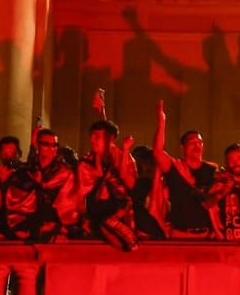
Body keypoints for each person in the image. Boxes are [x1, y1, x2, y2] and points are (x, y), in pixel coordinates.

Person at [153, 102, 220, 239]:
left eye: (200, 142)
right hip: (180, 234)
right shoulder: (175, 167)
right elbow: (158, 152)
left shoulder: (211, 170)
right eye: (192, 143)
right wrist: (162, 122)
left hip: (206, 235)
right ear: (183, 148)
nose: (197, 146)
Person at [77, 118, 139, 251]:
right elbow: (82, 194)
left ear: (110, 139)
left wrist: (125, 153)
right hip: (98, 211)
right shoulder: (86, 162)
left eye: (97, 136)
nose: (92, 140)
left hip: (122, 211)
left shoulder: (125, 157)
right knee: (100, 223)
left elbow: (131, 185)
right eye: (92, 136)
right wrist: (83, 218)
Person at [209, 144, 240, 243]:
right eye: (231, 160)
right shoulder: (220, 182)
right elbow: (209, 206)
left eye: (239, 158)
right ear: (226, 162)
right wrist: (218, 232)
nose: (235, 163)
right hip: (226, 241)